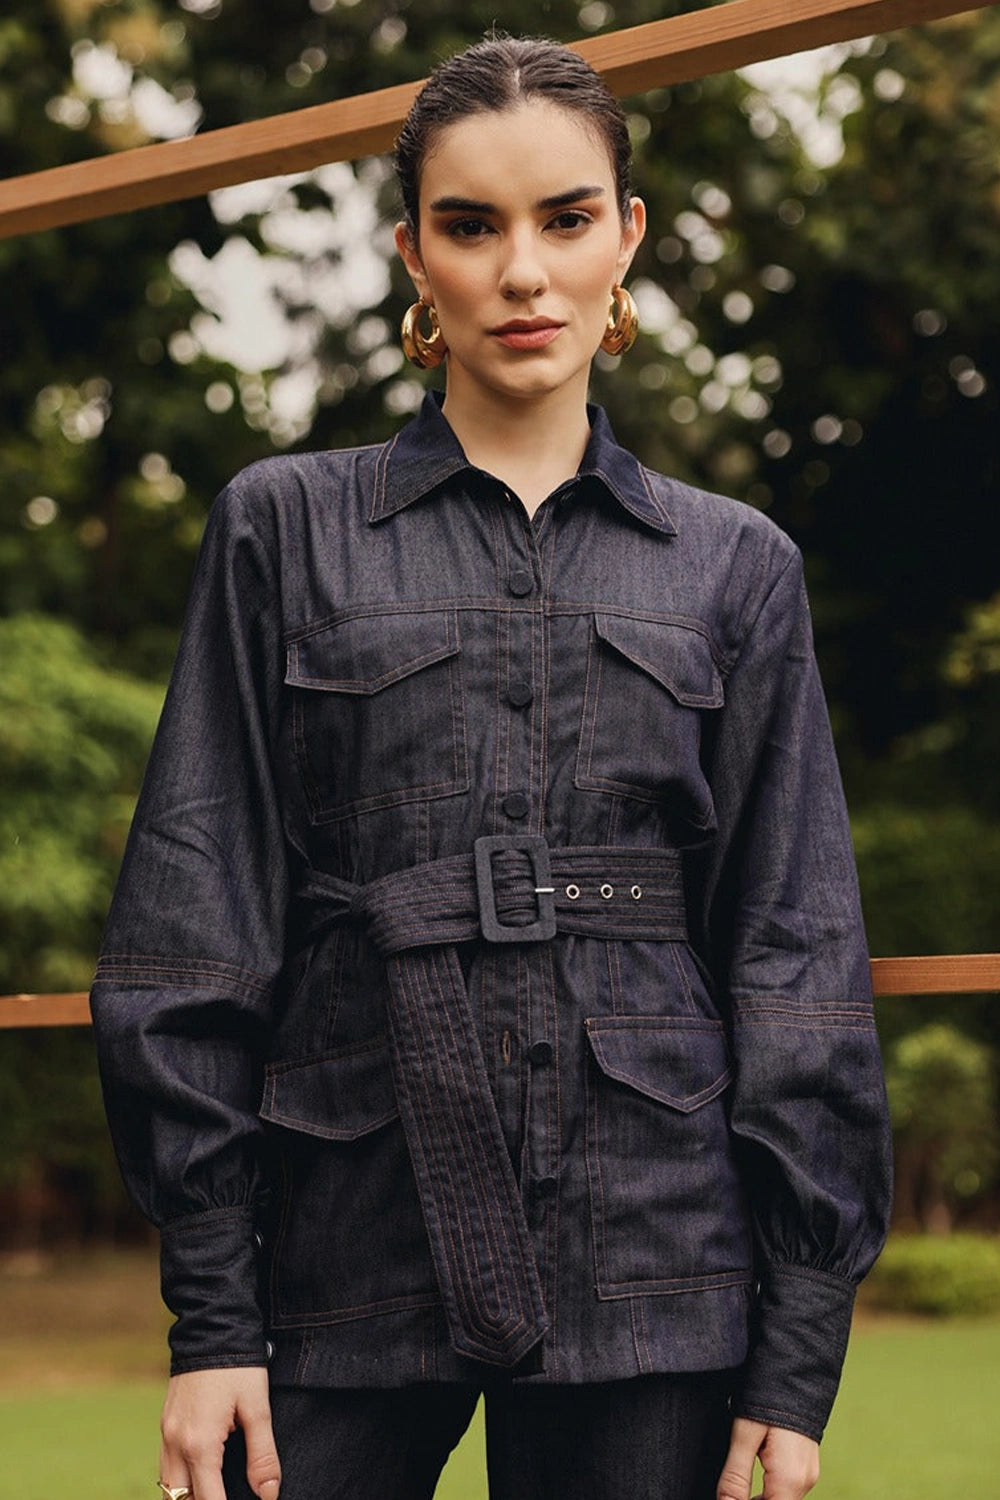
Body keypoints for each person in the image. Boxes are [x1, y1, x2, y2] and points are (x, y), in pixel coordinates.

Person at [91, 33, 892, 1500]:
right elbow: (190, 927)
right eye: (472, 225)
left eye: (565, 217)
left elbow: (795, 950)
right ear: (414, 254)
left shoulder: (738, 568)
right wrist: (213, 1316)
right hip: (343, 1248)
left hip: (658, 1260)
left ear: (626, 236)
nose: (523, 272)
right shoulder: (284, 529)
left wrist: (796, 1349)